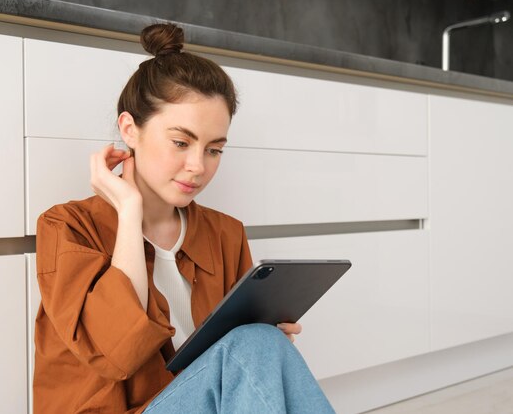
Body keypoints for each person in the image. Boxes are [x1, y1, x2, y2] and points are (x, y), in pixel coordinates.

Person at [33, 23, 335, 414]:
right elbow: (116, 353)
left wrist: (267, 344)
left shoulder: (225, 233)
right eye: (181, 142)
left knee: (260, 341)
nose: (198, 166)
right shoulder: (67, 228)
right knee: (254, 344)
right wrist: (128, 211)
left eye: (214, 150)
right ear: (130, 129)